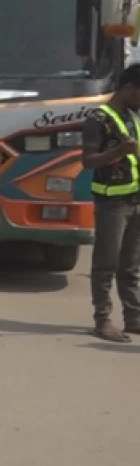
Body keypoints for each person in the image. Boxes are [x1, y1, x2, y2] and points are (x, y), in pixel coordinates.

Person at [80, 63, 140, 342]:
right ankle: (102, 320)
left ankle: (133, 319)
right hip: (112, 203)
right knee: (106, 264)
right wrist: (119, 150)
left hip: (135, 199)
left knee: (131, 266)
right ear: (128, 88)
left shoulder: (132, 116)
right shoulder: (98, 119)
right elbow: (88, 161)